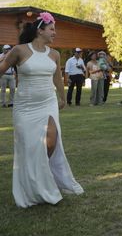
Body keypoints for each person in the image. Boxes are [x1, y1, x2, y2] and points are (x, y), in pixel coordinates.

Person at [0, 12, 83, 207]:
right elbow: (2, 68)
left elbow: (57, 78)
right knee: (29, 146)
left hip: (48, 102)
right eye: (52, 29)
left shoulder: (54, 54)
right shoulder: (19, 50)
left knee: (52, 141)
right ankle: (34, 185)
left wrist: (62, 97)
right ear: (40, 30)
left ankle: (43, 175)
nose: (55, 33)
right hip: (25, 105)